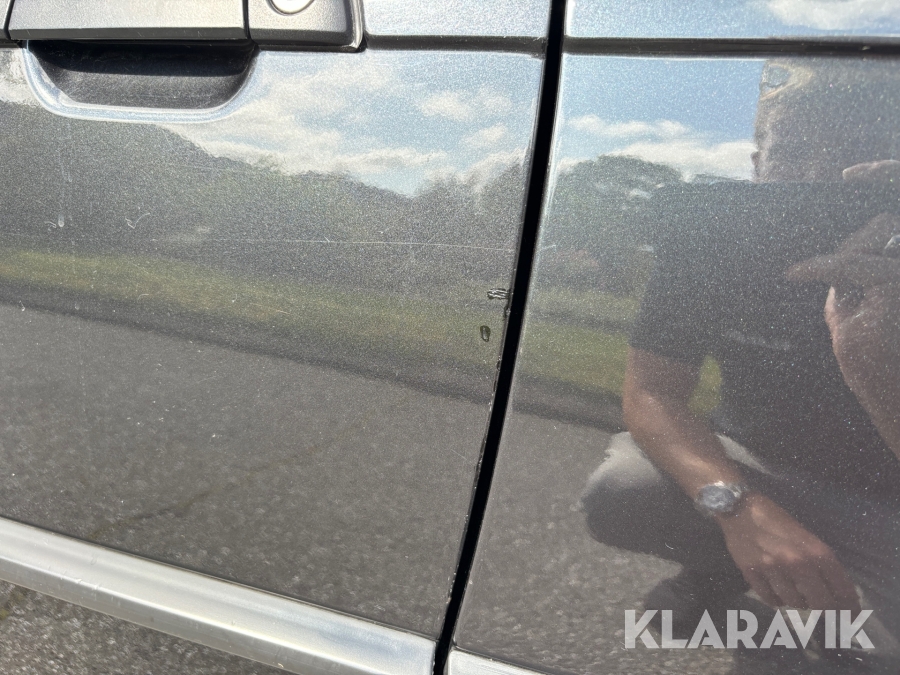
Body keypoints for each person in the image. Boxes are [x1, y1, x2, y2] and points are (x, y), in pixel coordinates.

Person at [581, 58, 900, 667]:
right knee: (621, 490)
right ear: (757, 164)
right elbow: (652, 391)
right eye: (790, 152)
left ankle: (821, 630)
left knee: (878, 658)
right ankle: (724, 574)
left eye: (851, 155)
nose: (817, 176)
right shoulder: (713, 237)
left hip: (886, 496)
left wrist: (873, 362)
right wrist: (740, 510)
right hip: (758, 462)